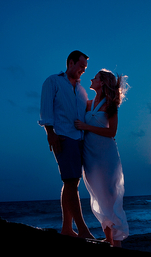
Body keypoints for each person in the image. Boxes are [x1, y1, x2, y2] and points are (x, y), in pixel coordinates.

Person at [38, 50, 94, 239]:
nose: (83, 71)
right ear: (70, 63)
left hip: (80, 139)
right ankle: (83, 231)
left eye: (85, 69)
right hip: (63, 137)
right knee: (70, 182)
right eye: (81, 67)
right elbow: (46, 110)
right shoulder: (53, 81)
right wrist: (50, 133)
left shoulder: (81, 90)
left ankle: (67, 229)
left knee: (72, 182)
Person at [74, 69, 130, 247]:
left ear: (103, 82)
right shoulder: (88, 103)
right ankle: (108, 238)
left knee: (111, 195)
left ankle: (117, 242)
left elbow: (112, 132)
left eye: (95, 77)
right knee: (98, 195)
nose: (91, 79)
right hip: (90, 155)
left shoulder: (111, 104)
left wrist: (85, 126)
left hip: (107, 155)